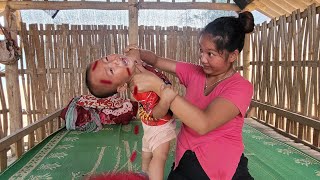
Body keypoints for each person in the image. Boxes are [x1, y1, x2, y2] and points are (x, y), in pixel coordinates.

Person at [128, 11, 255, 179]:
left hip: (223, 162)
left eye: (210, 54)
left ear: (233, 55)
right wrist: (137, 53)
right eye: (201, 51)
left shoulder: (240, 87)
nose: (202, 59)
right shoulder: (195, 73)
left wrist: (159, 87)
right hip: (187, 156)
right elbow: (156, 60)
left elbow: (203, 124)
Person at [85, 52, 177, 180]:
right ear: (122, 86)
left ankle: (144, 173)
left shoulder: (136, 71)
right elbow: (156, 114)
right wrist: (166, 100)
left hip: (148, 124)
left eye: (106, 59)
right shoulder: (140, 88)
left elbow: (135, 56)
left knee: (146, 153)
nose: (114, 61)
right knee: (159, 157)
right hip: (159, 125)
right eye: (111, 70)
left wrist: (135, 54)